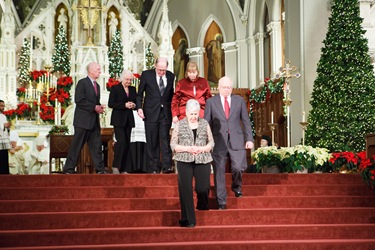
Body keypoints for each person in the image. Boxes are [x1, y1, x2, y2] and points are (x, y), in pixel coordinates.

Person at [204, 76, 254, 210]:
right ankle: (221, 201)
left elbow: (245, 121)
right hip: (218, 140)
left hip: (237, 139)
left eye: (228, 88)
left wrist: (249, 139)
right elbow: (206, 123)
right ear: (218, 87)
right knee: (219, 171)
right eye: (224, 87)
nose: (226, 90)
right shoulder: (211, 102)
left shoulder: (239, 101)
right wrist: (206, 141)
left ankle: (236, 186)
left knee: (238, 167)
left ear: (231, 88)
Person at [170, 99, 214, 227]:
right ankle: (188, 220)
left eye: (196, 114)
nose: (194, 117)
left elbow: (211, 142)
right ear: (186, 113)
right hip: (184, 158)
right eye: (192, 114)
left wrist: (202, 149)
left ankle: (202, 204)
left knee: (203, 187)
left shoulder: (204, 123)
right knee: (185, 190)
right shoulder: (180, 124)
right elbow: (173, 144)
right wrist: (187, 149)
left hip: (203, 157)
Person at [63, 62, 107, 174]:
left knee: (97, 147)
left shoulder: (97, 86)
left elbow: (94, 103)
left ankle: (100, 169)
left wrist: (99, 107)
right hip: (82, 121)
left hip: (94, 122)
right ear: (91, 70)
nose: (100, 71)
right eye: (98, 69)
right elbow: (79, 100)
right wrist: (94, 107)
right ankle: (68, 169)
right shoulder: (82, 83)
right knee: (76, 146)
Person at [136, 57, 175, 174]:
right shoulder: (147, 75)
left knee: (164, 139)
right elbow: (139, 94)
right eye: (159, 70)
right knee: (152, 141)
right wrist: (139, 108)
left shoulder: (171, 76)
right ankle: (154, 167)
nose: (162, 72)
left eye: (164, 70)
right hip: (151, 112)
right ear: (155, 66)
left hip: (165, 113)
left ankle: (167, 166)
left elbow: (171, 94)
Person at [108, 70, 136, 174]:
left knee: (128, 143)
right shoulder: (115, 88)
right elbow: (111, 103)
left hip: (129, 120)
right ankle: (116, 166)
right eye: (127, 79)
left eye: (130, 80)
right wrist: (124, 105)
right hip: (118, 120)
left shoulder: (133, 89)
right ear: (122, 78)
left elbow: (136, 102)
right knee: (121, 142)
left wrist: (133, 105)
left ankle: (125, 168)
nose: (129, 81)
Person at [0, 99, 11, 174]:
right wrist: (3, 125)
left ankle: (4, 173)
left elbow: (5, 127)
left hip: (3, 139)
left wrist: (7, 127)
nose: (3, 107)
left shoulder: (3, 116)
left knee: (3, 156)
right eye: (1, 106)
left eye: (3, 106)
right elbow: (2, 125)